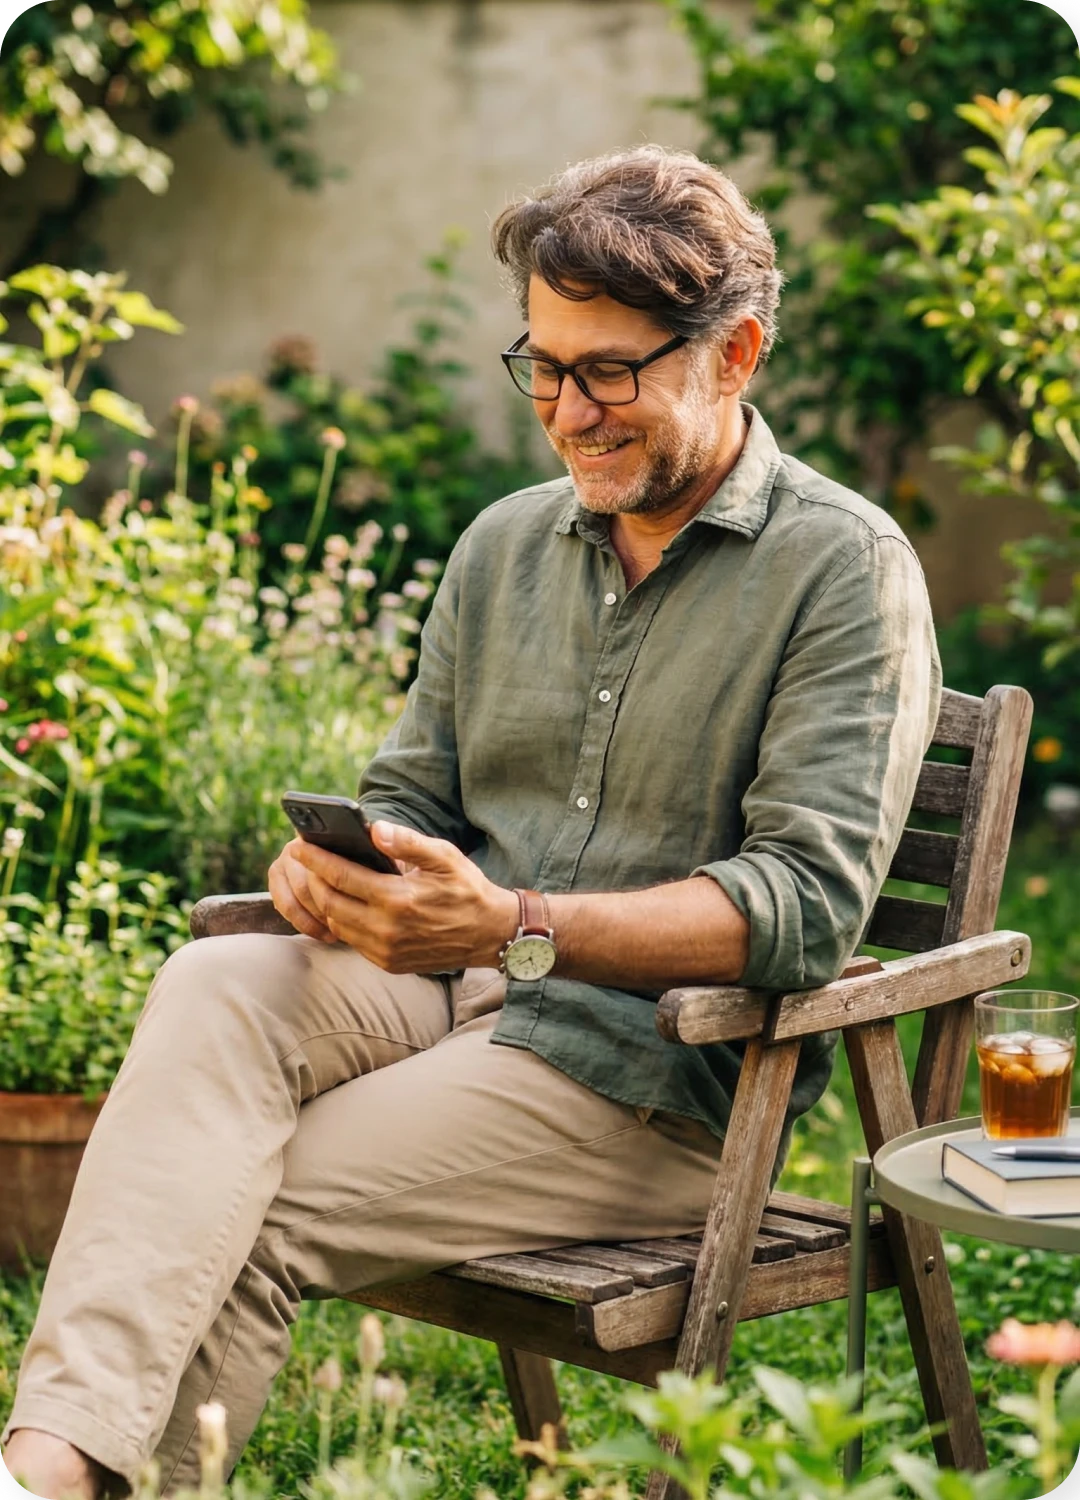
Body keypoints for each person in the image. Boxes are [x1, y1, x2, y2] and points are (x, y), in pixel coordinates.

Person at [1, 144, 941, 1500]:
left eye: (609, 370)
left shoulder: (844, 572)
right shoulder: (506, 545)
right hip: (448, 992)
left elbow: (800, 909)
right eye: (544, 367)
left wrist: (515, 925)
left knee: (229, 1211)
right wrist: (344, 865)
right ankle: (44, 1470)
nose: (569, 412)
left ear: (733, 354)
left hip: (647, 1079)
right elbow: (414, 792)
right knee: (216, 977)